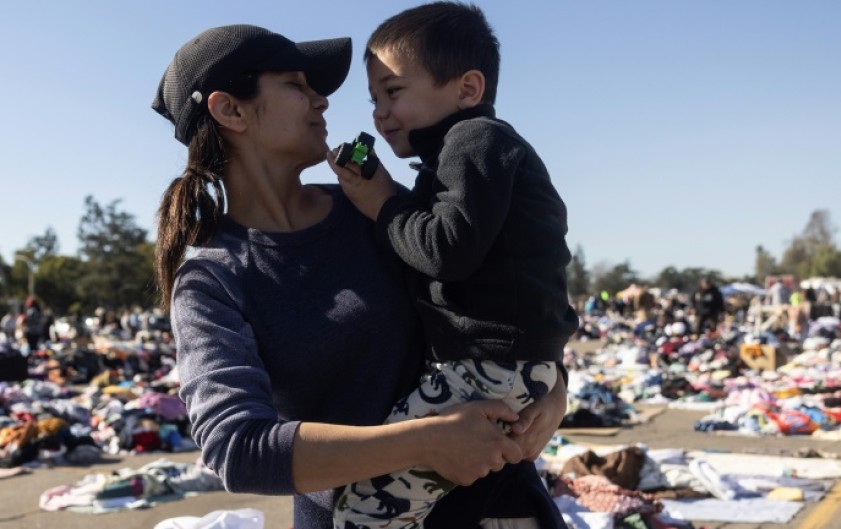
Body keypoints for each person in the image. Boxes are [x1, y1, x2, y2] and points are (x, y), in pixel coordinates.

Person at [151, 24, 568, 529]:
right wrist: (428, 440)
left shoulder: (372, 205)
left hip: (499, 505)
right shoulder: (214, 278)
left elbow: (502, 293)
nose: (322, 101)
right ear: (230, 110)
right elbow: (238, 450)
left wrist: (553, 385)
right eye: (296, 85)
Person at [328, 3, 578, 527]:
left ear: (467, 89)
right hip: (499, 366)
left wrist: (382, 202)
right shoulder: (461, 155)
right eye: (373, 99)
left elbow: (446, 251)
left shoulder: (476, 142)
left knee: (364, 512)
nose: (379, 113)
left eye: (393, 92)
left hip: (485, 365)